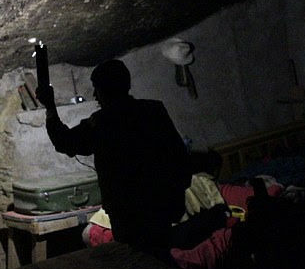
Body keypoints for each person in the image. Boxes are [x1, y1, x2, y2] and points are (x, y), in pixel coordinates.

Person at [37, 59, 191, 257]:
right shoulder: (154, 110)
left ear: (105, 89)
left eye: (96, 88)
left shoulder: (102, 123)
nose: (94, 95)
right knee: (161, 258)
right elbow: (179, 156)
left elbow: (64, 142)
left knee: (136, 263)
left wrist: (50, 107)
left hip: (128, 214)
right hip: (160, 206)